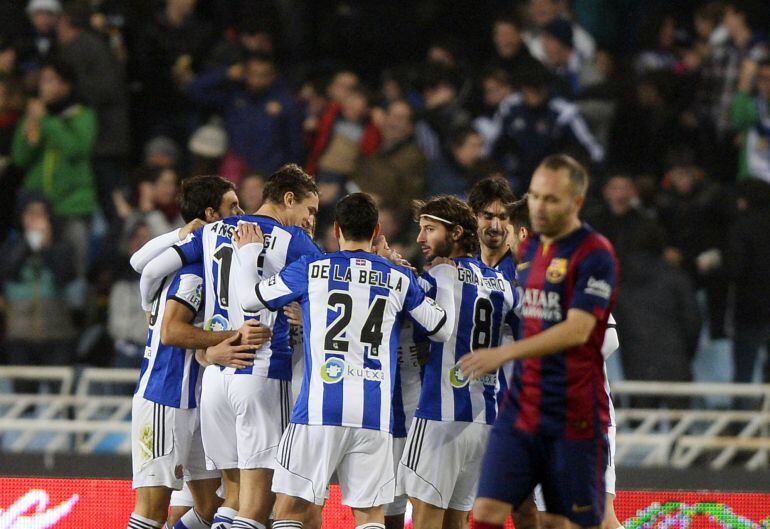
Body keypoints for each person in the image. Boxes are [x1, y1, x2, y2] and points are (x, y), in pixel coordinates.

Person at [235, 192, 452, 529]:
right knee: (369, 514)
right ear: (377, 229)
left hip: (319, 410)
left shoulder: (312, 268)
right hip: (374, 415)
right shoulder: (398, 277)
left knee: (291, 508)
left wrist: (249, 253)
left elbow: (251, 300)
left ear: (336, 229)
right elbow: (440, 328)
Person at [139, 164, 321, 529]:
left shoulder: (212, 233)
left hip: (217, 379)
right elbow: (338, 285)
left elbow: (149, 266)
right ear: (288, 199)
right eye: (309, 210)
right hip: (263, 371)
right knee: (259, 507)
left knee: (232, 501)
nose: (309, 220)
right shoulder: (292, 241)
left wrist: (149, 307)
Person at [459, 154, 619, 529]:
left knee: (585, 521)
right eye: (535, 197)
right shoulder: (521, 267)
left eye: (551, 198)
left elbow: (595, 336)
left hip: (575, 410)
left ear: (575, 203)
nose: (540, 206)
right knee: (486, 513)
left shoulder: (592, 254)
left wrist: (508, 353)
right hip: (521, 410)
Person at [126, 175, 267, 529]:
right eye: (232, 206)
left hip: (197, 400)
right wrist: (233, 335)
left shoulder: (209, 265)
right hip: (165, 397)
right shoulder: (193, 270)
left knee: (210, 505)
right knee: (152, 510)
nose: (242, 213)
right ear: (210, 215)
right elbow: (172, 331)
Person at [399, 195, 517, 529]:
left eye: (429, 229)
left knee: (425, 519)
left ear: (456, 233)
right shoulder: (503, 284)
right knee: (457, 521)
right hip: (486, 419)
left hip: (440, 416)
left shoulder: (436, 278)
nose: (421, 238)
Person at [11, 59, 97, 281]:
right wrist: (30, 125)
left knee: (75, 267)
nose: (44, 86)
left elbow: (76, 149)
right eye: (42, 80)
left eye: (50, 80)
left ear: (66, 85)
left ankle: (78, 312)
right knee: (35, 265)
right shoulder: (36, 115)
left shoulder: (82, 115)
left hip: (72, 206)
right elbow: (20, 157)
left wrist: (46, 121)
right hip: (38, 207)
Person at [57, 2, 129, 221]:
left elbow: (103, 90)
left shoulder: (80, 48)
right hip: (112, 138)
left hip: (103, 140)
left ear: (66, 22)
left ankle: (121, 251)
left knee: (111, 206)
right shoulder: (96, 45)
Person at [0, 193, 76, 394]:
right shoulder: (10, 246)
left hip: (57, 334)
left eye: (41, 214)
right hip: (19, 334)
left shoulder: (62, 246)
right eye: (30, 214)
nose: (36, 219)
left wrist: (48, 248)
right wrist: (28, 244)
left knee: (63, 398)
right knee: (23, 401)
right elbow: (7, 271)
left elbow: (65, 277)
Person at [187, 53, 304, 181]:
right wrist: (225, 73)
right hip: (235, 172)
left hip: (268, 175)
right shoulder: (234, 97)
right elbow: (194, 89)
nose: (257, 80)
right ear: (244, 73)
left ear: (273, 76)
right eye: (253, 74)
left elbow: (294, 146)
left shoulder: (285, 103)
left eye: (263, 75)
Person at [490, 64, 604, 194]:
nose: (533, 94)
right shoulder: (510, 107)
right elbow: (493, 146)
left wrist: (594, 175)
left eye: (537, 89)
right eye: (528, 89)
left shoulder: (563, 112)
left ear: (546, 88)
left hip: (554, 182)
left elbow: (592, 149)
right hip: (516, 180)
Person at [350, 99, 427, 223]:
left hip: (387, 218)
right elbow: (355, 177)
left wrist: (384, 204)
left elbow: (411, 201)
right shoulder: (372, 147)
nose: (393, 122)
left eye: (400, 118)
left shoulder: (414, 158)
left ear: (410, 127)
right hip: (358, 208)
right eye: (391, 115)